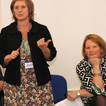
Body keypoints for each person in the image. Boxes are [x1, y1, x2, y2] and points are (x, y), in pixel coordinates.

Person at [0, 0, 57, 105]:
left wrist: (44, 48)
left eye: (23, 7)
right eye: (16, 7)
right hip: (14, 85)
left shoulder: (41, 29)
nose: (19, 10)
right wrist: (8, 57)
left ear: (29, 9)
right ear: (13, 11)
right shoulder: (6, 32)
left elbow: (51, 55)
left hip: (39, 84)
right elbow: (1, 56)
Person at [67, 34, 106, 106]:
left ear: (101, 49)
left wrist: (78, 92)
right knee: (100, 98)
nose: (91, 50)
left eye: (94, 47)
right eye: (88, 48)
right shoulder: (81, 66)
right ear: (84, 51)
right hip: (90, 99)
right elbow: (96, 91)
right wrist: (96, 66)